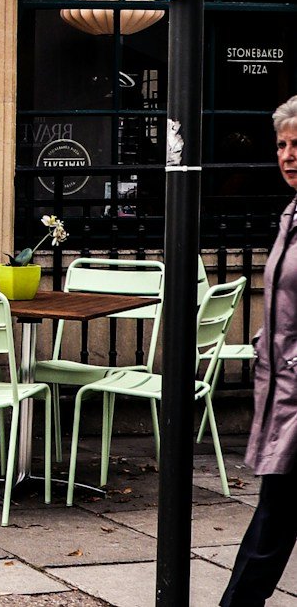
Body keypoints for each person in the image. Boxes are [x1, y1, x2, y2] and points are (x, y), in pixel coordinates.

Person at [221, 98, 297, 607]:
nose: (288, 155)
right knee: (275, 517)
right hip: (285, 394)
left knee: (272, 521)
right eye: (282, 145)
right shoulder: (291, 214)